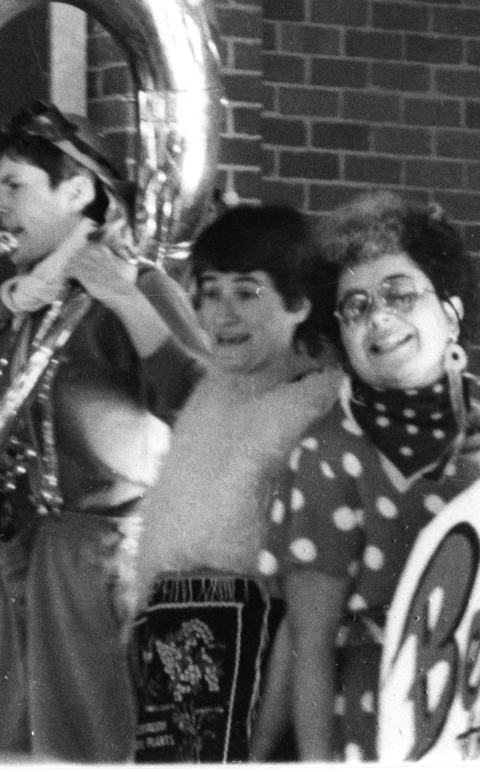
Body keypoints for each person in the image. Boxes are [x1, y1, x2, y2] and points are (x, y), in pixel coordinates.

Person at [259, 191, 480, 761]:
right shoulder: (328, 455)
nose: (379, 316)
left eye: (399, 294)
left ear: (450, 316)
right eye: (355, 306)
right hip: (381, 729)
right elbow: (311, 645)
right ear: (344, 339)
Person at [0, 100, 204, 764]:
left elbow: (199, 407)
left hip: (95, 560)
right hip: (17, 558)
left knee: (92, 756)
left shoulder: (141, 285)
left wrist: (128, 302)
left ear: (77, 190)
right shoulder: (25, 305)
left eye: (14, 186)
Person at [128, 204, 341, 763]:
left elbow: (307, 611)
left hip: (263, 674)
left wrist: (265, 741)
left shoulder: (318, 412)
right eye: (209, 291)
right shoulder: (214, 393)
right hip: (170, 660)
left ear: (299, 303)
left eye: (247, 293)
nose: (221, 314)